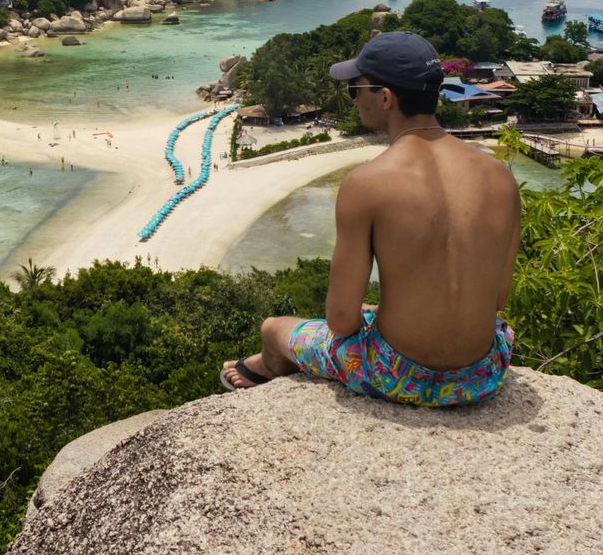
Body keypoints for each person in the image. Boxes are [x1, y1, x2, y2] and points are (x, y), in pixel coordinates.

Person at [220, 31, 521, 408]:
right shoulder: (500, 177)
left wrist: (374, 315)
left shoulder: (367, 183)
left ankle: (265, 365)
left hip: (396, 374)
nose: (354, 99)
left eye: (355, 89)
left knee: (275, 327)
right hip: (481, 374)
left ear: (385, 97)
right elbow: (497, 298)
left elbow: (342, 322)